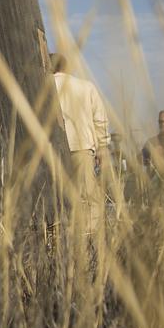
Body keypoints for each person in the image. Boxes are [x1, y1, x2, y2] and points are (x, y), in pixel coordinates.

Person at [51, 53, 109, 234]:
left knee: (58, 193)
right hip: (82, 145)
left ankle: (60, 233)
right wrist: (103, 147)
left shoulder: (45, 86)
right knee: (89, 195)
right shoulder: (86, 87)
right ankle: (88, 234)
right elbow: (100, 120)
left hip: (52, 148)